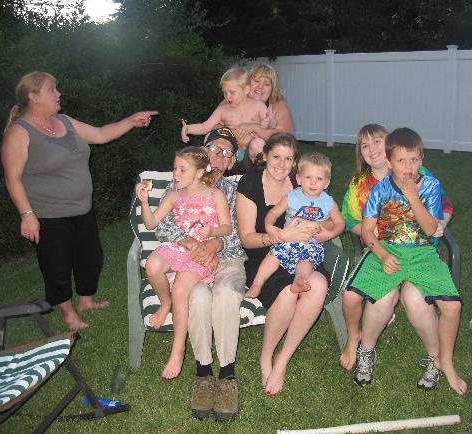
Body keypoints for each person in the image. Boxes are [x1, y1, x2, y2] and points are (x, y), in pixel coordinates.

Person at [1, 71, 157, 330]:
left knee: (90, 257)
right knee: (57, 265)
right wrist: (27, 214)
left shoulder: (64, 121)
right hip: (48, 215)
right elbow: (12, 178)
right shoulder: (19, 132)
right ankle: (68, 313)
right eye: (51, 90)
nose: (58, 93)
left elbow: (101, 134)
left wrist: (131, 121)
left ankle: (86, 301)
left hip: (82, 209)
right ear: (33, 96)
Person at [344, 127, 467, 396]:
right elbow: (367, 231)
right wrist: (382, 254)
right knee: (350, 295)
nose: (408, 167)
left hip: (422, 252)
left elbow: (430, 228)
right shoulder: (379, 189)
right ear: (390, 162)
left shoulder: (430, 186)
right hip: (388, 250)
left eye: (414, 160)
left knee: (453, 306)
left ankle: (442, 360)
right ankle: (363, 348)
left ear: (422, 159)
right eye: (401, 161)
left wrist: (412, 195)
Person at [154, 127, 246, 421]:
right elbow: (162, 226)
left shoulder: (234, 191)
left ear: (232, 162)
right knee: (200, 298)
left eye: (227, 153)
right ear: (202, 152)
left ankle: (227, 374)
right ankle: (203, 372)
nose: (219, 156)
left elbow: (239, 232)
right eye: (214, 149)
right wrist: (191, 243)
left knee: (226, 294)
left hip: (227, 259)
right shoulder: (179, 185)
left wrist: (216, 243)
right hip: (189, 260)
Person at [236, 133, 333, 396]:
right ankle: (266, 356)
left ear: (295, 163)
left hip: (303, 254)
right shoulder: (250, 183)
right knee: (288, 293)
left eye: (288, 159)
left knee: (317, 285)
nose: (281, 164)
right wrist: (282, 235)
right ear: (265, 156)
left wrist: (322, 231)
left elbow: (327, 217)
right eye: (276, 156)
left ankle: (282, 360)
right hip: (264, 256)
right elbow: (247, 239)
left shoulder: (303, 181)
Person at [135, 147, 232, 379]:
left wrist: (212, 231)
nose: (175, 174)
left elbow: (227, 228)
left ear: (199, 172)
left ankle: (177, 350)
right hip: (179, 248)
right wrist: (144, 202)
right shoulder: (174, 196)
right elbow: (151, 224)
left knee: (180, 289)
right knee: (152, 265)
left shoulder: (215, 195)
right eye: (174, 168)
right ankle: (165, 303)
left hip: (201, 254)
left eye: (182, 169)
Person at [246, 152, 344, 298]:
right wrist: (269, 227)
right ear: (298, 178)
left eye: (319, 179)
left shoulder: (329, 203)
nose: (313, 183)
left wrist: (329, 234)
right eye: (308, 177)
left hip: (311, 244)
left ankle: (299, 280)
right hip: (288, 240)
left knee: (307, 262)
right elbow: (273, 213)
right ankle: (257, 284)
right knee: (272, 257)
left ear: (326, 183)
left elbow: (340, 223)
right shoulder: (291, 197)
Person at [180, 67, 271, 150]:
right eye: (225, 92)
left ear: (246, 90)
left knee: (258, 143)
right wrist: (188, 128)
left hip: (251, 151)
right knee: (210, 138)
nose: (227, 96)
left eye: (232, 92)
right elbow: (204, 126)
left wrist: (265, 124)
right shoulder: (222, 110)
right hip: (229, 151)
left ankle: (258, 161)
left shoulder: (259, 106)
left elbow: (268, 130)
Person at [232, 63, 295, 142]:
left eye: (266, 84)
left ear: (272, 90)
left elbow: (286, 137)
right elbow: (217, 125)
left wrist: (255, 128)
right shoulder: (234, 99)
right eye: (256, 81)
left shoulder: (278, 106)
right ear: (247, 83)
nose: (260, 86)